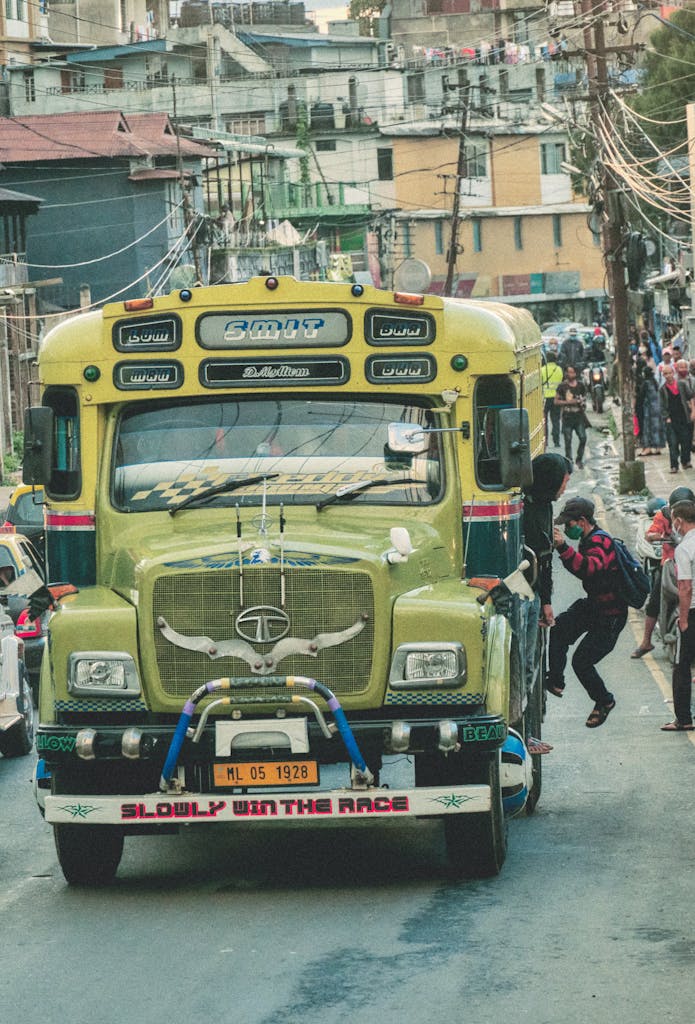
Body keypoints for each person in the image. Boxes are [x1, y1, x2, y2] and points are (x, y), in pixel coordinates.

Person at [546, 497, 628, 728]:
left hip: (611, 614)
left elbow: (589, 569)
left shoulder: (600, 541)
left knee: (582, 661)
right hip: (594, 606)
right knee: (559, 628)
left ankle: (604, 700)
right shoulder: (588, 539)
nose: (567, 528)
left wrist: (563, 548)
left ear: (582, 521)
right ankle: (556, 681)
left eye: (569, 524)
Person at [520, 453, 571, 756]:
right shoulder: (525, 508)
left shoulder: (544, 505)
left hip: (535, 597)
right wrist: (542, 601)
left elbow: (546, 558)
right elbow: (539, 557)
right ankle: (523, 734)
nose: (564, 489)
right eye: (563, 482)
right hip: (523, 596)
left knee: (529, 667)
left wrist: (546, 601)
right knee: (524, 666)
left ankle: (526, 733)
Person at [630, 488, 693, 658]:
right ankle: (646, 642)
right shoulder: (663, 516)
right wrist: (655, 536)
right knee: (654, 602)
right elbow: (650, 533)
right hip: (670, 565)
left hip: (691, 564)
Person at [662, 499, 695, 731]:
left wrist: (682, 619)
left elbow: (685, 587)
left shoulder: (684, 548)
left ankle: (683, 718)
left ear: (679, 521)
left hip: (692, 611)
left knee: (681, 664)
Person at [659, 363, 695, 473]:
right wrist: (666, 417)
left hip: (684, 416)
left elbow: (691, 396)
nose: (668, 376)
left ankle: (685, 461)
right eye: (665, 374)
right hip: (672, 419)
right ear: (663, 375)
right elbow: (662, 406)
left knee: (686, 441)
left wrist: (693, 411)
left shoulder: (682, 384)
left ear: (673, 373)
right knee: (673, 443)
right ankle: (674, 465)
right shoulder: (662, 389)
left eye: (670, 373)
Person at [554, 365, 588, 468]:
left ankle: (579, 459)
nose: (570, 374)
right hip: (567, 416)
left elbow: (585, 397)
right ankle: (569, 461)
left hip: (578, 416)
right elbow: (556, 401)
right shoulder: (562, 387)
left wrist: (581, 401)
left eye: (572, 372)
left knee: (583, 438)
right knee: (568, 440)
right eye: (569, 372)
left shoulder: (581, 385)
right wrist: (568, 402)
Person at [636, 365, 664, 456]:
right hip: (657, 409)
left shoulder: (646, 383)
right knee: (656, 428)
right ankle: (657, 447)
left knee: (647, 428)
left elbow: (641, 397)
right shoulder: (655, 382)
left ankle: (647, 448)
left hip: (648, 410)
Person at [541, 352, 564, 447]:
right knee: (555, 421)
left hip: (545, 399)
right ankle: (556, 442)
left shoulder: (542, 370)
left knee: (544, 421)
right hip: (556, 398)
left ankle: (545, 441)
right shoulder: (559, 369)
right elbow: (561, 382)